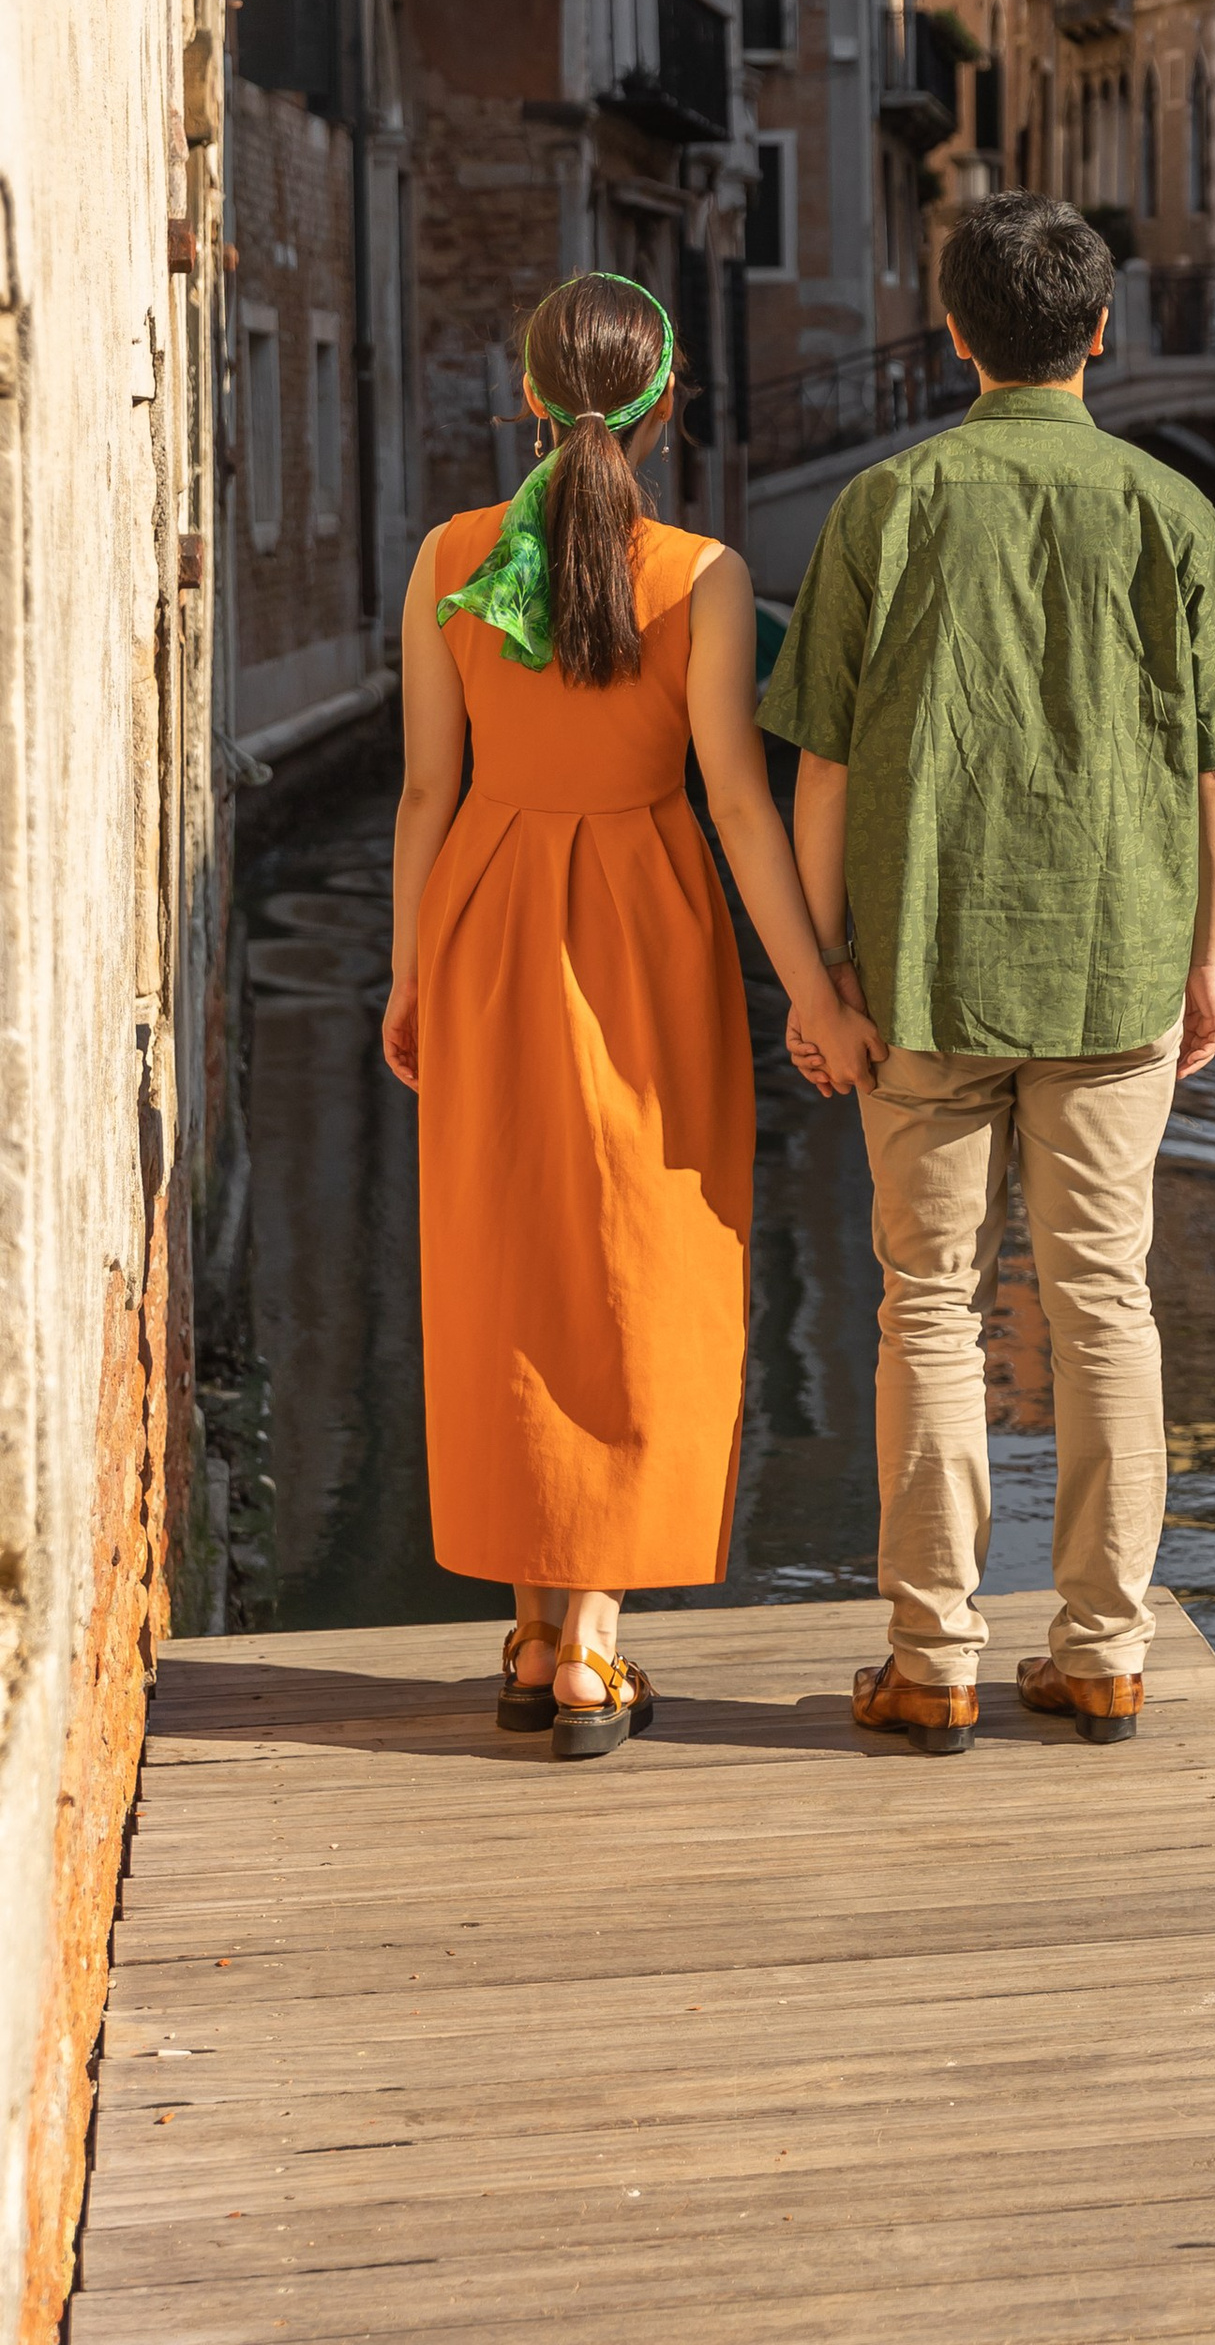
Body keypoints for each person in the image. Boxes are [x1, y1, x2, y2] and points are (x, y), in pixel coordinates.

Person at [761, 193, 1215, 1754]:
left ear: (953, 334)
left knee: (928, 1308)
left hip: (922, 965)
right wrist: (1204, 962)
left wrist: (821, 976)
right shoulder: (1171, 510)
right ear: (1102, 334)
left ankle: (932, 1661)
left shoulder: (888, 504)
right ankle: (1105, 1650)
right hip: (1118, 963)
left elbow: (824, 774)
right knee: (1105, 1302)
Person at [382, 273, 872, 1760]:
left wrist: (406, 972)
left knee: (509, 1251)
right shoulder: (706, 576)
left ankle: (541, 1625)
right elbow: (735, 800)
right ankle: (593, 1644)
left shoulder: (449, 560)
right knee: (638, 1255)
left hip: (482, 918)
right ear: (669, 411)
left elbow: (422, 792)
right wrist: (816, 993)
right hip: (648, 926)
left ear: (526, 400)